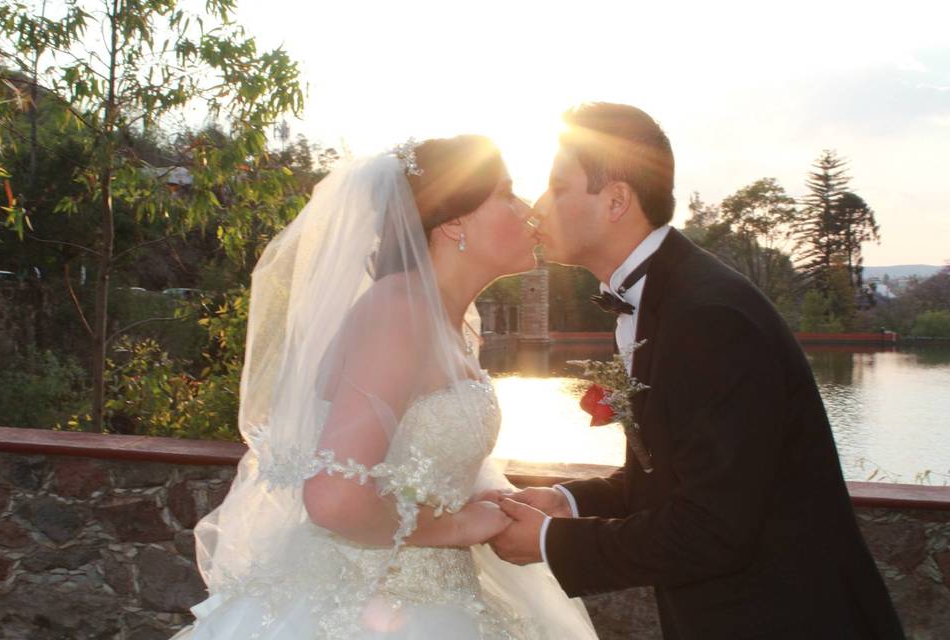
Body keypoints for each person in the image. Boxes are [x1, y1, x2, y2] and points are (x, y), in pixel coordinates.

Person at [487, 103, 906, 640]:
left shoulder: (709, 317)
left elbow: (712, 529)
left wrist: (551, 543)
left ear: (616, 200)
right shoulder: (665, 297)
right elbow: (675, 478)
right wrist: (566, 502)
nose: (538, 208)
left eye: (557, 187)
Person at [170, 135, 598, 639]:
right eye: (506, 193)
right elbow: (333, 498)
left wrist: (495, 498)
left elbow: (422, 452)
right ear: (454, 221)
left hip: (438, 593)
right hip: (374, 608)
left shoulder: (446, 321)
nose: (527, 210)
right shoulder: (399, 314)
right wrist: (459, 527)